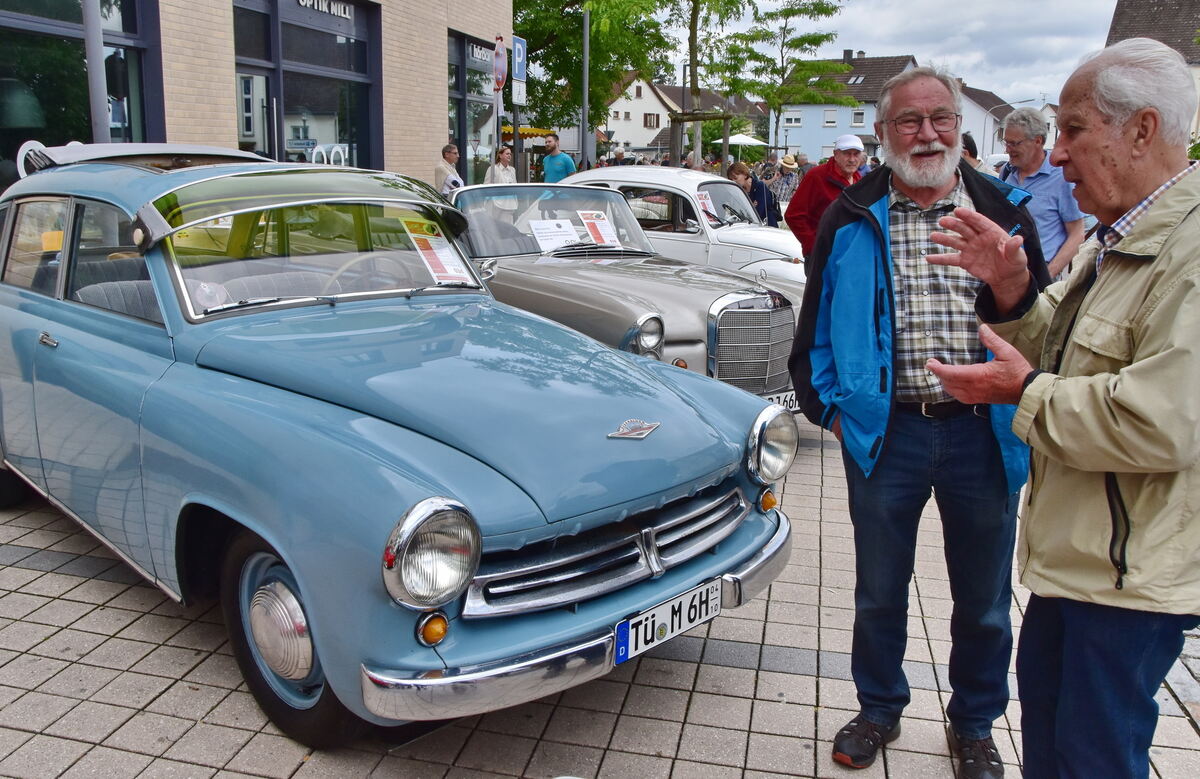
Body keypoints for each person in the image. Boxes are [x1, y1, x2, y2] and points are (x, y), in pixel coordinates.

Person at [924, 38, 1200, 779]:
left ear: (1142, 130)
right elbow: (1069, 352)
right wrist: (1014, 288)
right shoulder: (1126, 236)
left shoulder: (1189, 252)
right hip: (1078, 566)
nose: (1056, 153)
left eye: (1074, 129)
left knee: (1090, 760)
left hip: (1126, 581)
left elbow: (1160, 423)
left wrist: (1023, 393)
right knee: (1050, 753)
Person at [790, 66, 1050, 777]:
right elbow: (815, 328)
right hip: (888, 433)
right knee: (879, 591)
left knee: (985, 600)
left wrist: (1011, 289)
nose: (927, 133)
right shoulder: (851, 214)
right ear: (882, 132)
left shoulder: (1005, 211)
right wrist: (832, 411)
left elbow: (1043, 327)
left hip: (984, 432)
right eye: (910, 120)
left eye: (941, 118)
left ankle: (974, 724)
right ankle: (879, 707)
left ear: (960, 126)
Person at [1000, 107, 1085, 279]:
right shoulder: (1006, 172)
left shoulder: (1061, 177)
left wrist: (1046, 276)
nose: (1007, 150)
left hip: (1040, 273)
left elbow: (1077, 234)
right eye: (1006, 142)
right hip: (1006, 273)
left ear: (1038, 141)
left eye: (1014, 143)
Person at [784, 134, 865, 259]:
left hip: (850, 256)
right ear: (836, 154)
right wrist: (815, 246)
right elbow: (793, 215)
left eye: (856, 154)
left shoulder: (859, 180)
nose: (852, 159)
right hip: (823, 258)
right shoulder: (816, 176)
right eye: (847, 154)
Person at [727, 161, 777, 227]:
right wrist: (751, 207)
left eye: (735, 178)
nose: (733, 181)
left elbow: (757, 213)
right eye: (731, 179)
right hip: (748, 228)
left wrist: (748, 209)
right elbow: (736, 213)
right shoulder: (739, 191)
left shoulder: (760, 186)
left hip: (767, 227)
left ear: (745, 174)